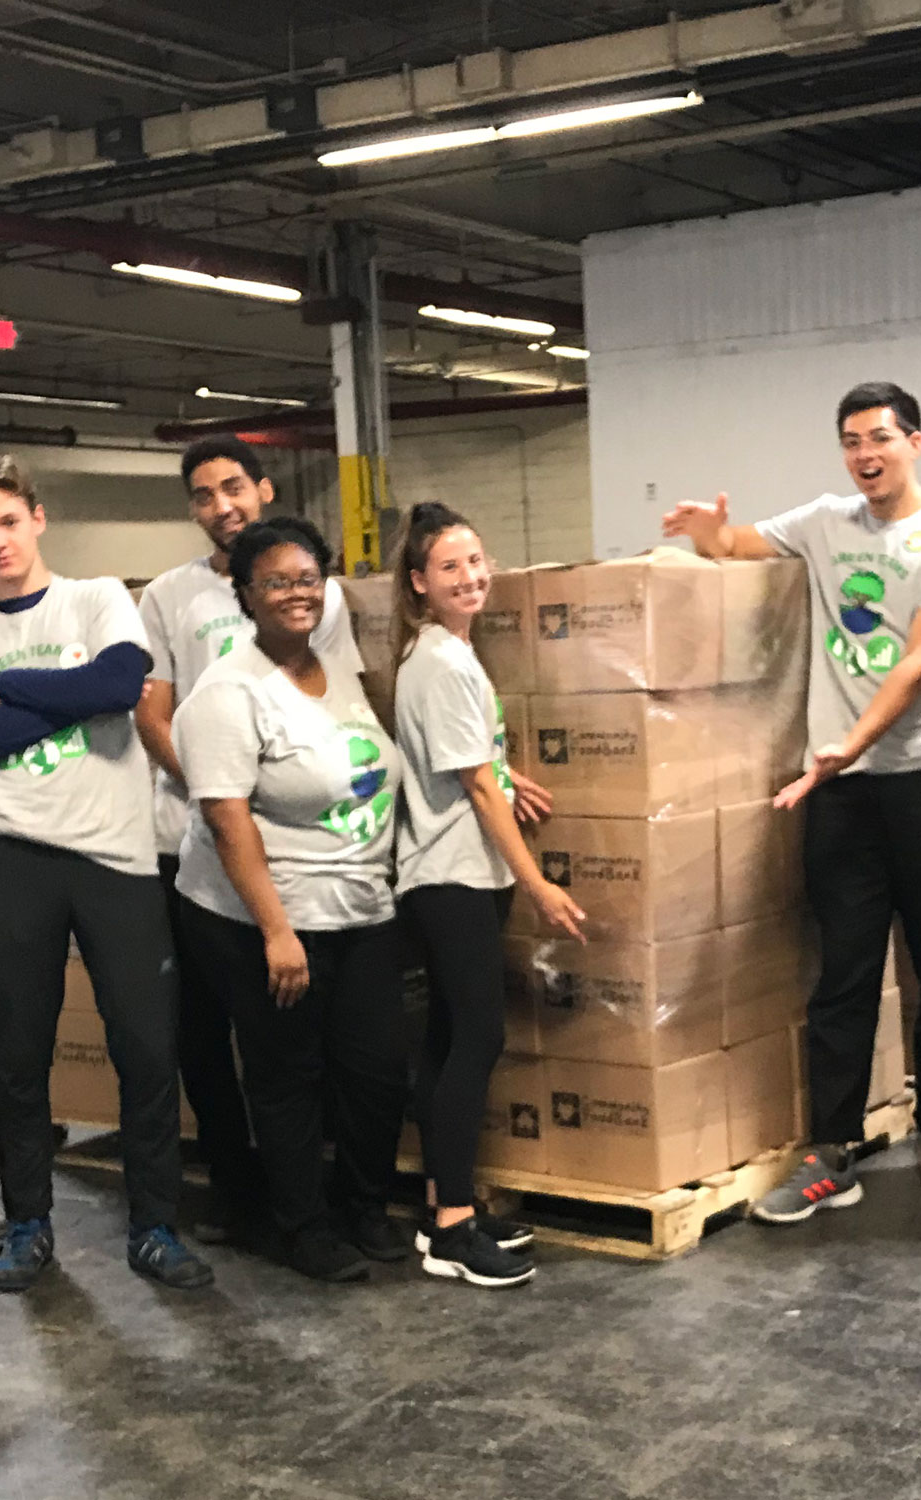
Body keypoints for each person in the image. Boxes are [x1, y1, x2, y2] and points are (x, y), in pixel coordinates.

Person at [663, 380, 921, 1212]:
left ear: (915, 442)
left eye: (879, 438)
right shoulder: (823, 521)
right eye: (851, 442)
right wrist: (713, 536)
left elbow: (919, 660)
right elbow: (745, 545)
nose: (865, 456)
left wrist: (854, 741)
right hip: (844, 789)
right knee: (843, 969)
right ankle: (832, 1150)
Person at [0, 452, 211, 1294]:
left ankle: (155, 1227)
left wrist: (12, 686)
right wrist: (68, 694)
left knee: (146, 1044)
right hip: (12, 853)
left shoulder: (96, 600)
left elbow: (121, 684)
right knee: (19, 1050)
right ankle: (28, 1225)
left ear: (38, 519)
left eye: (8, 523)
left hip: (115, 857)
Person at [134, 436, 362, 1244]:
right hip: (196, 845)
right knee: (204, 1030)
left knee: (297, 1035)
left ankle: (312, 1188)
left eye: (232, 487)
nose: (220, 505)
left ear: (262, 489)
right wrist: (211, 794)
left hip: (302, 850)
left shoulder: (313, 590)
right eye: (202, 495)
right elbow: (151, 712)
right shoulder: (167, 597)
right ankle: (237, 1192)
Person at [172, 516, 411, 1284]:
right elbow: (225, 814)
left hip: (362, 906)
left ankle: (365, 1206)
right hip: (270, 919)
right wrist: (276, 931)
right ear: (245, 594)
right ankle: (303, 1226)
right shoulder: (227, 692)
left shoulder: (333, 669)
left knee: (376, 1068)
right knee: (287, 1073)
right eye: (277, 581)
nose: (297, 593)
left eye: (308, 578)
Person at [388, 501, 584, 1288]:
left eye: (475, 562)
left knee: (448, 1037)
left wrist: (509, 780)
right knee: (477, 1038)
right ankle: (454, 1228)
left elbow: (476, 766)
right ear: (418, 583)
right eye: (449, 568)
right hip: (451, 876)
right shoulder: (437, 662)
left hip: (465, 872)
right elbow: (469, 781)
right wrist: (538, 884)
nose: (469, 577)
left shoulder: (452, 655)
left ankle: (448, 1203)